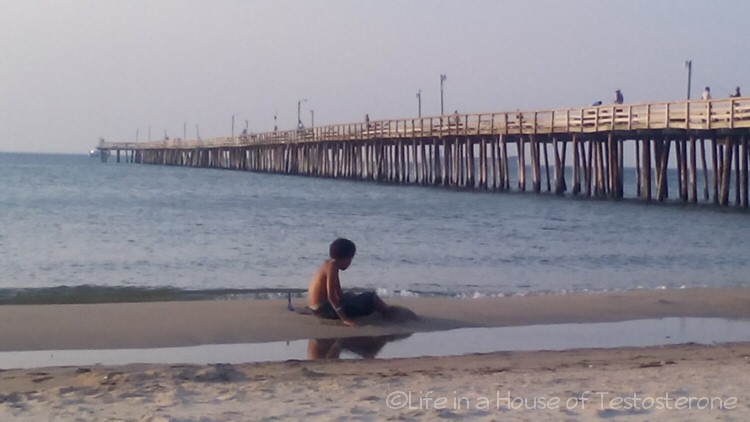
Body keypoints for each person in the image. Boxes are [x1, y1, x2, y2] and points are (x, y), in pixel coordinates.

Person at [307, 238, 396, 326]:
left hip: (317, 309)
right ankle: (390, 313)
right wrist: (345, 319)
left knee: (350, 295)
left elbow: (337, 290)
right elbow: (332, 296)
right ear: (345, 259)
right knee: (371, 297)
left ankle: (383, 310)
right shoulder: (332, 267)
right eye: (350, 260)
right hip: (325, 310)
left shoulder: (329, 264)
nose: (350, 263)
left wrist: (348, 300)